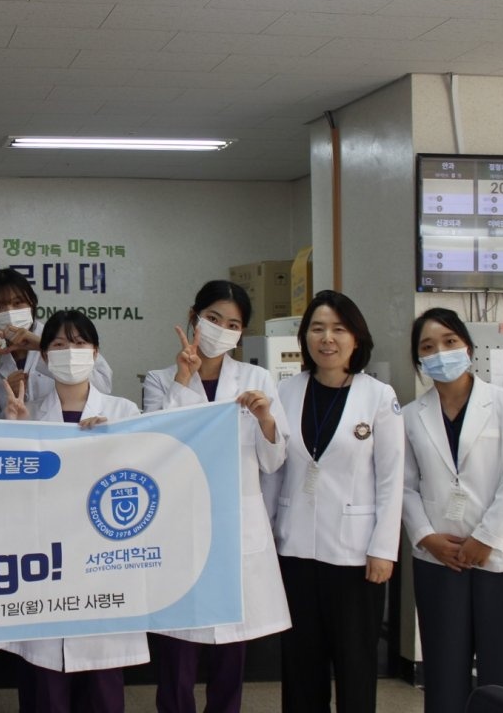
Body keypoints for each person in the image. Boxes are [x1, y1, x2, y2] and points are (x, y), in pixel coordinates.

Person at [141, 280, 290, 713]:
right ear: (194, 317)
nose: (221, 329)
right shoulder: (160, 380)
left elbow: (273, 461)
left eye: (233, 324)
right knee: (178, 650)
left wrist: (265, 419)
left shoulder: (257, 379)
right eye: (213, 318)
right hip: (179, 526)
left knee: (230, 652)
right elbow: (161, 448)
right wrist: (183, 380)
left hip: (234, 528)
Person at [2, 310, 145, 713]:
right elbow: (6, 498)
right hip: (43, 564)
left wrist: (111, 446)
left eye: (80, 344)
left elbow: (144, 485)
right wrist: (16, 433)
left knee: (101, 683)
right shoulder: (25, 413)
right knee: (45, 684)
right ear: (45, 357)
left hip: (102, 565)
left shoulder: (124, 413)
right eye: (60, 345)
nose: (71, 352)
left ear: (96, 353)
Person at [272, 290, 403, 713]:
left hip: (355, 556)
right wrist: (268, 537)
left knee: (355, 664)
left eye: (338, 329)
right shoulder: (285, 391)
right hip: (295, 548)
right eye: (317, 328)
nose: (327, 338)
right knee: (300, 665)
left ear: (356, 338)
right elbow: (273, 470)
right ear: (305, 337)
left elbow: (391, 479)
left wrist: (384, 549)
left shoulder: (378, 395)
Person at [402, 308, 503, 713]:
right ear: (418, 360)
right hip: (439, 558)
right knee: (444, 674)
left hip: (502, 558)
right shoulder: (410, 416)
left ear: (468, 348)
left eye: (449, 342)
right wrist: (426, 537)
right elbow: (404, 486)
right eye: (428, 347)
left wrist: (486, 538)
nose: (440, 353)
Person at [0, 268, 112, 415]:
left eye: (18, 303)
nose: (9, 312)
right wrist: (11, 399)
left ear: (32, 303)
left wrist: (44, 346)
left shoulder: (64, 339)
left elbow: (104, 387)